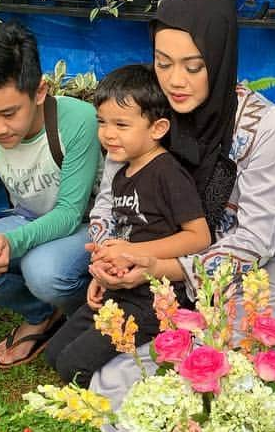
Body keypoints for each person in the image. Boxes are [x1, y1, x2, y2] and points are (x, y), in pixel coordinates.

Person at [87, 0, 275, 413]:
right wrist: (109, 254)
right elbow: (109, 200)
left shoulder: (258, 122)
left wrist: (158, 267)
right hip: (149, 257)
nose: (175, 81)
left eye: (194, 66)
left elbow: (254, 238)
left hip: (239, 272)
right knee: (106, 376)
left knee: (238, 369)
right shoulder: (147, 102)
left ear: (218, 59)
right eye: (163, 63)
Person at [0, 22, 100, 369]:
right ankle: (41, 313)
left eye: (9, 113)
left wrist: (13, 244)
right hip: (29, 217)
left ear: (39, 90)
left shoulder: (77, 120)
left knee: (43, 270)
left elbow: (70, 212)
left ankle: (87, 317)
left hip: (88, 226)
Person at [44, 64, 211, 385]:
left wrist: (133, 252)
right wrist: (103, 273)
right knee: (56, 354)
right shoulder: (122, 170)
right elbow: (120, 235)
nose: (108, 133)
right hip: (119, 291)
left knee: (72, 368)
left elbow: (199, 236)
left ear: (158, 128)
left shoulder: (167, 173)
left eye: (121, 124)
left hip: (155, 299)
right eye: (102, 122)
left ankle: (167, 349)